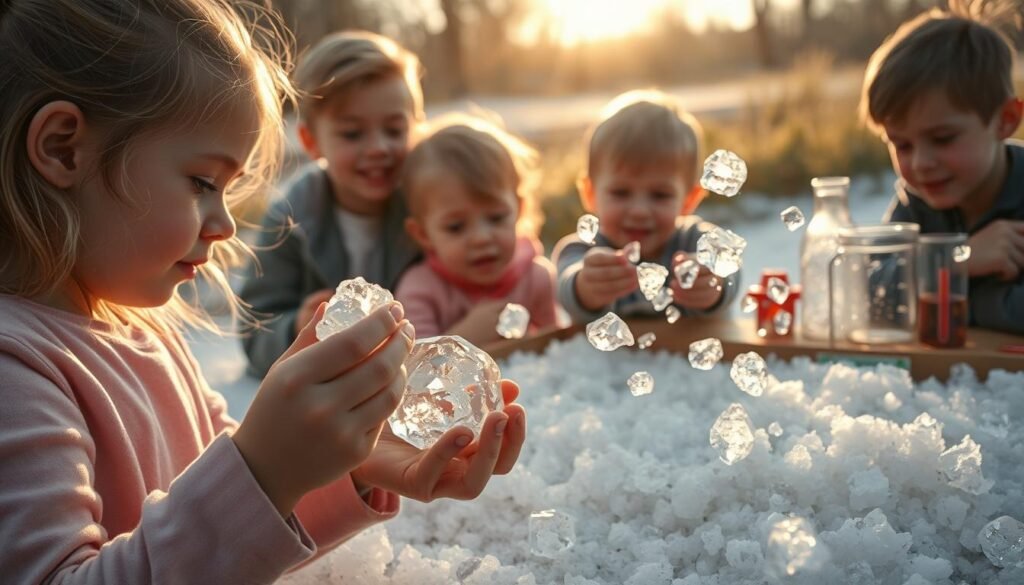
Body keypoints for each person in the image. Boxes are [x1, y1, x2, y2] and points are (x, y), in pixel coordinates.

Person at [0, 2, 526, 583]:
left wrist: (348, 467)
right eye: (202, 182)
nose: (225, 224)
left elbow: (226, 531)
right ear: (62, 148)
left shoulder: (148, 331)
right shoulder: (14, 369)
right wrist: (269, 469)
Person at [239, 30, 424, 376]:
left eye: (395, 131)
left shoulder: (428, 207)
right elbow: (254, 333)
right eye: (353, 134)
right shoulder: (290, 220)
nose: (378, 148)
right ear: (311, 141)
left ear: (416, 127)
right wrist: (295, 327)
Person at [862, 0, 1024, 334]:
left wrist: (940, 295)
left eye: (943, 138)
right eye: (901, 144)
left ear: (1005, 121)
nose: (920, 164)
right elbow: (868, 293)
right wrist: (956, 262)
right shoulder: (916, 202)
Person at [552, 90, 740, 324]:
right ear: (590, 194)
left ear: (689, 200)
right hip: (610, 361)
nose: (639, 211)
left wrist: (715, 284)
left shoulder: (698, 242)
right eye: (620, 193)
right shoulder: (582, 249)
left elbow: (731, 269)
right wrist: (586, 287)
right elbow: (565, 290)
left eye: (660, 195)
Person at [395, 114, 558, 345]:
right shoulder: (420, 290)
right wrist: (465, 338)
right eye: (456, 227)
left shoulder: (536, 278)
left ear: (519, 210)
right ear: (423, 234)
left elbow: (558, 351)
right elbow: (414, 368)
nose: (482, 238)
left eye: (496, 218)